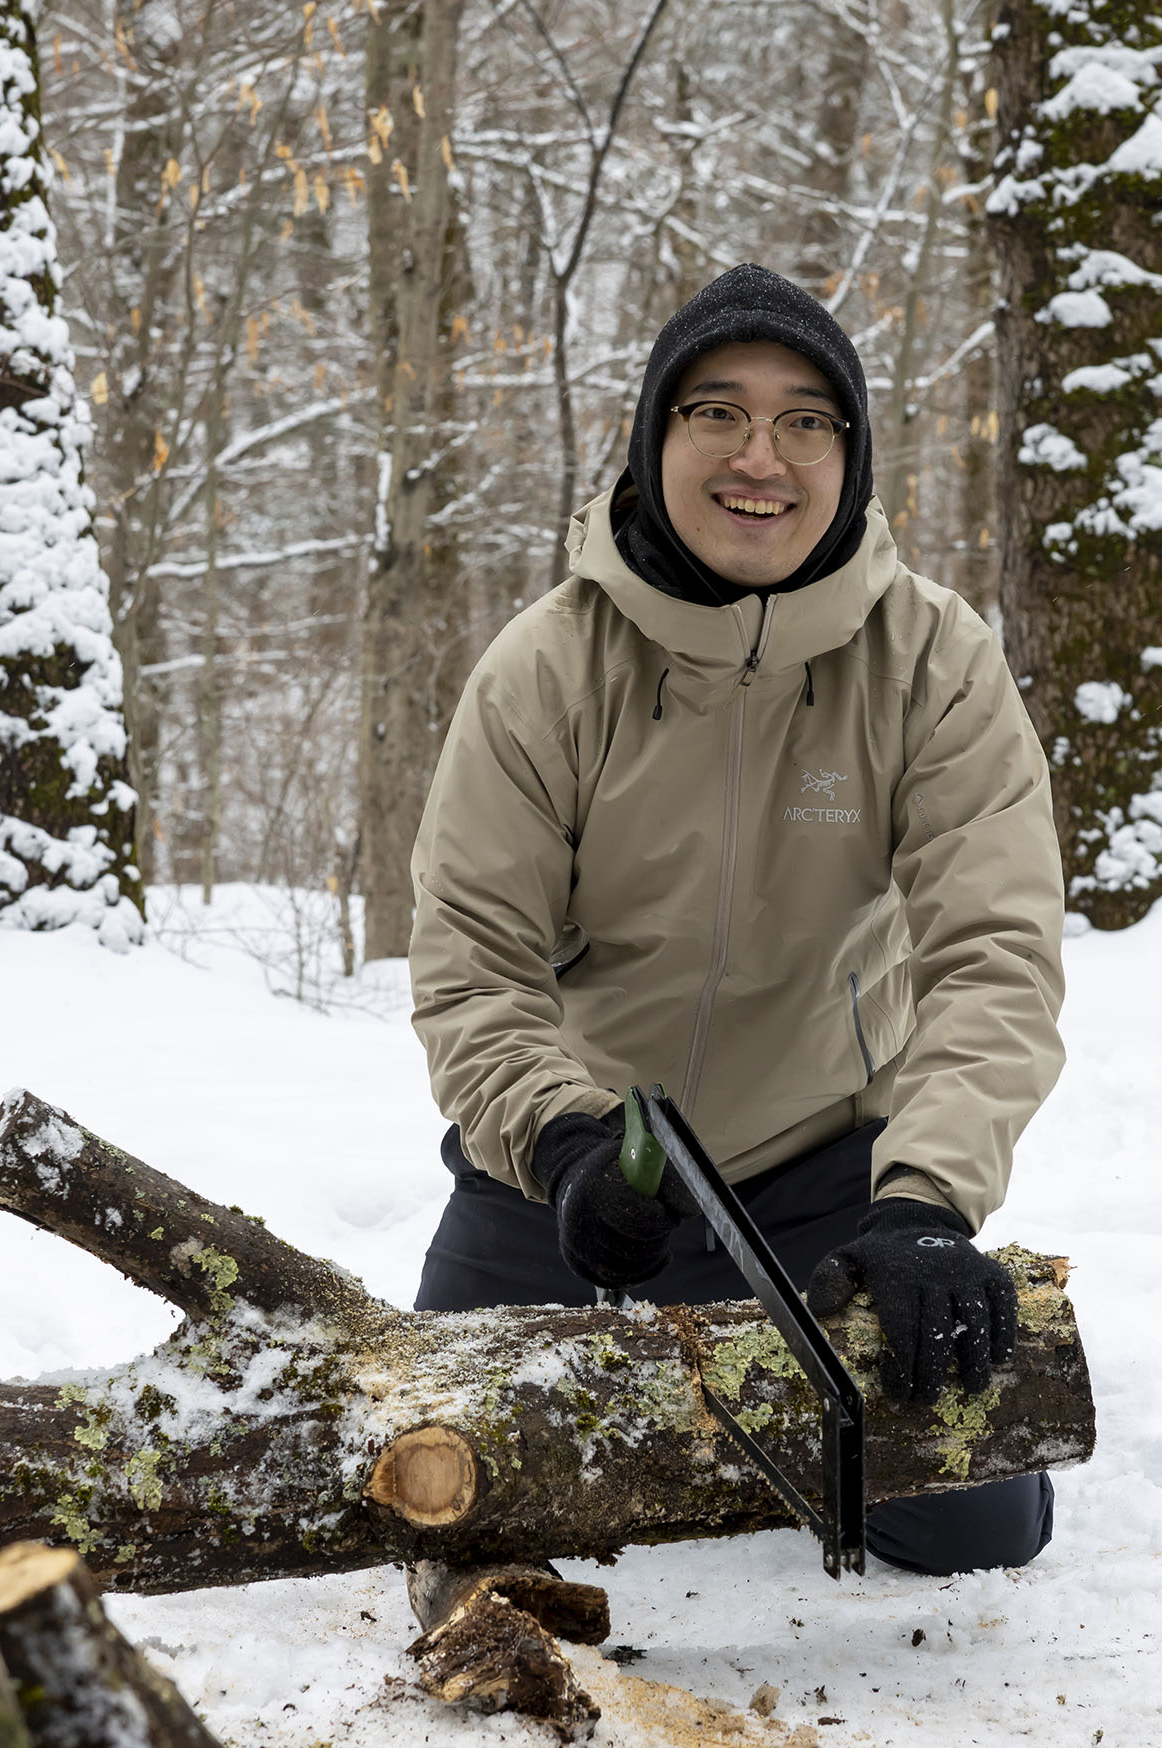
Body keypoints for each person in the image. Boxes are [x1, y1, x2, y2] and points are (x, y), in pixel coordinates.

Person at [407, 263, 1066, 1585]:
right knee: (430, 1478)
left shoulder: (933, 662)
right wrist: (564, 1141)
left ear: (849, 458)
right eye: (717, 412)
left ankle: (744, 1396)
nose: (759, 457)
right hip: (581, 1175)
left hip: (823, 1177)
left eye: (804, 421)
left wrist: (927, 1204)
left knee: (977, 1526)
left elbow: (993, 960)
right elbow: (473, 965)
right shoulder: (546, 666)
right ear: (656, 440)